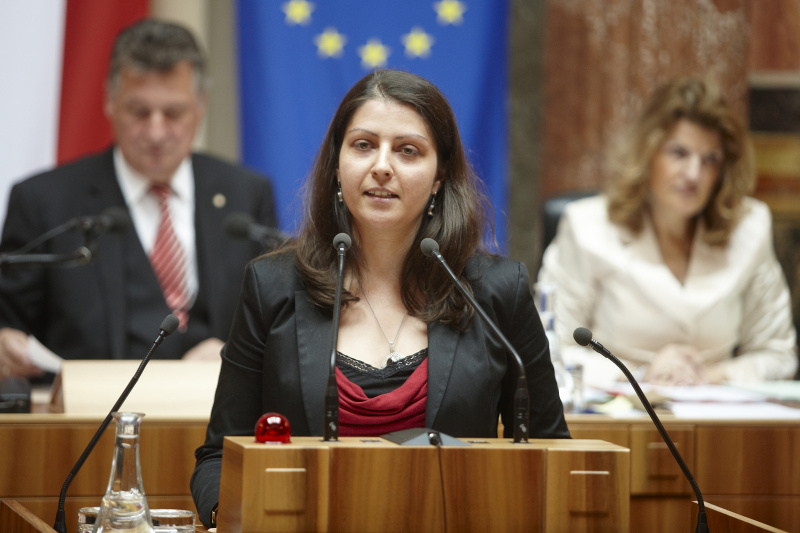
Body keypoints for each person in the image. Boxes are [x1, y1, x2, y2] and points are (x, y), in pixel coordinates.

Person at [190, 69, 570, 527]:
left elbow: (553, 453)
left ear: (439, 176)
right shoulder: (272, 286)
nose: (382, 166)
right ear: (337, 165)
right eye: (364, 145)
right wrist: (226, 517)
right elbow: (218, 457)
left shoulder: (497, 291)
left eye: (408, 150)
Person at [0, 19, 277, 379]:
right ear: (110, 101)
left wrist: (236, 352)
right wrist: (5, 343)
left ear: (200, 105)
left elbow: (275, 322)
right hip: (90, 409)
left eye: (173, 113)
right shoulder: (43, 202)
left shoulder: (246, 195)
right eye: (139, 112)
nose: (156, 132)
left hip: (214, 407)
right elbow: (9, 324)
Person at [538, 76, 798, 388]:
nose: (694, 174)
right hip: (622, 405)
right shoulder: (586, 227)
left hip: (715, 405)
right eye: (679, 153)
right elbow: (550, 351)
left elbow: (778, 354)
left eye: (710, 159)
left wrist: (708, 377)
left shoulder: (749, 227)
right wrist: (640, 376)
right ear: (647, 153)